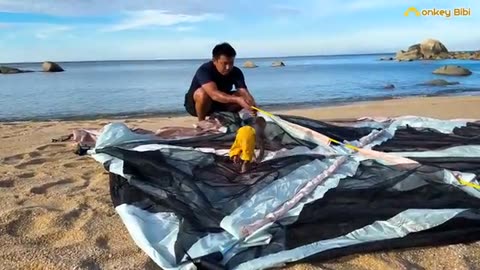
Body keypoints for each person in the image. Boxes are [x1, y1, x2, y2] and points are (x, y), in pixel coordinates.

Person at [184, 42, 257, 121]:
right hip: (196, 105)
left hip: (219, 104)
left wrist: (252, 105)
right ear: (215, 61)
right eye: (224, 63)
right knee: (202, 93)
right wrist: (237, 99)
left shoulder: (236, 71)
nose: (228, 67)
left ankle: (223, 118)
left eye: (231, 63)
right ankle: (201, 122)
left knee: (242, 96)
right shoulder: (205, 70)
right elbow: (214, 94)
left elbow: (244, 91)